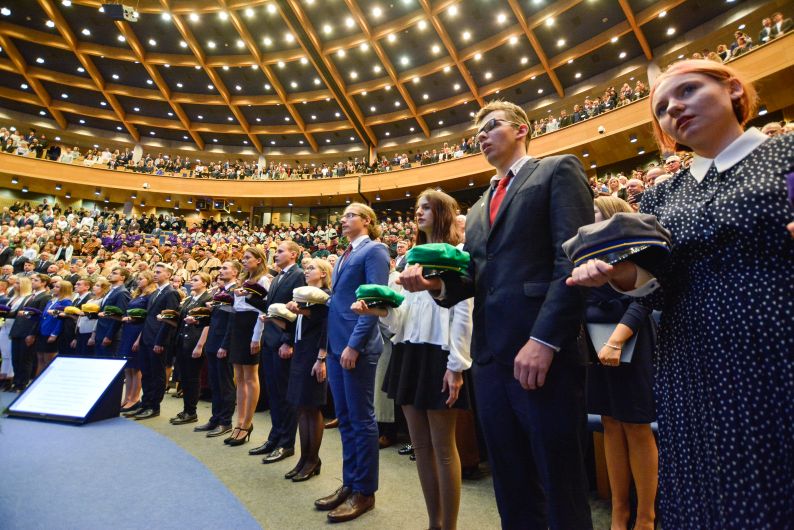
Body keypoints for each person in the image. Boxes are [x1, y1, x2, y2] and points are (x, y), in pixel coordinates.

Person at [567, 59, 794, 529]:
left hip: (775, 353)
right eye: (663, 108)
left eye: (688, 91)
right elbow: (654, 286)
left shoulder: (787, 155)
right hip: (689, 363)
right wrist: (613, 274)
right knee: (703, 490)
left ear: (733, 89)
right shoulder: (660, 198)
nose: (675, 108)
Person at [400, 99, 594, 529]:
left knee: (560, 481)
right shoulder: (481, 202)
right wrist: (435, 284)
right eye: (477, 134)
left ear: (522, 128)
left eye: (490, 127)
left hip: (541, 353)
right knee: (510, 481)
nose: (481, 137)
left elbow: (572, 264)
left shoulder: (557, 170)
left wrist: (544, 341)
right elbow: (474, 278)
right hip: (490, 361)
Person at [353, 189, 473, 530]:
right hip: (408, 350)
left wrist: (457, 364)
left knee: (443, 447)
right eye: (417, 207)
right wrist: (380, 311)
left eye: (427, 207)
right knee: (421, 447)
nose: (418, 212)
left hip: (441, 353)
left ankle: (447, 525)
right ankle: (433, 522)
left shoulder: (460, 253)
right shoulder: (409, 260)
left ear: (444, 212)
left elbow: (464, 312)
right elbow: (401, 317)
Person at [583, 196, 658, 530]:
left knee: (636, 427)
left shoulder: (633, 247)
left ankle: (645, 516)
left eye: (596, 214)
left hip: (632, 341)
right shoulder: (584, 254)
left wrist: (616, 340)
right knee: (610, 424)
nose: (590, 219)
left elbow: (642, 300)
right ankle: (619, 511)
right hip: (595, 346)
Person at [314, 202, 389, 523]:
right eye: (342, 215)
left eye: (350, 215)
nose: (342, 220)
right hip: (337, 345)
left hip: (356, 347)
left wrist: (354, 345)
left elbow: (375, 300)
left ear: (367, 221)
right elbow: (342, 301)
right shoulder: (346, 253)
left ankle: (365, 491)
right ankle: (350, 482)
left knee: (361, 420)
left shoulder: (375, 251)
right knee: (344, 418)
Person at [248, 241, 306, 461]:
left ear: (293, 254)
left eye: (280, 251)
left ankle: (286, 443)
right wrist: (252, 298)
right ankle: (275, 437)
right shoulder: (278, 277)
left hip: (283, 341)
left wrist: (288, 341)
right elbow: (273, 307)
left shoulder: (298, 275)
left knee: (284, 395)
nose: (276, 255)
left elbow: (297, 312)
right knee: (273, 393)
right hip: (271, 339)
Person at [282, 258, 332, 481]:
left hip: (315, 354)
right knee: (301, 407)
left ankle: (313, 459)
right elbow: (298, 325)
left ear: (323, 273)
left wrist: (322, 358)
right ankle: (304, 458)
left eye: (312, 268)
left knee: (312, 407)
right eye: (306, 267)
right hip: (301, 352)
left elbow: (327, 326)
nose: (306, 271)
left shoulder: (325, 296)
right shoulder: (304, 296)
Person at [226, 248, 270, 445]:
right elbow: (238, 307)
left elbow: (263, 309)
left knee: (251, 376)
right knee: (239, 377)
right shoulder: (243, 280)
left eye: (247, 258)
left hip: (253, 325)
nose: (243, 261)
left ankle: (247, 423)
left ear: (259, 260)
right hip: (239, 324)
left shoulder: (264, 280)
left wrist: (256, 337)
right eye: (243, 258)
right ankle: (239, 421)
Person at [126, 263, 181, 420]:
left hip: (158, 339)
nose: (155, 274)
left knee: (157, 374)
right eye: (154, 272)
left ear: (168, 275)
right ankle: (145, 403)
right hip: (147, 337)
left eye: (158, 272)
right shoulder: (156, 292)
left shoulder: (171, 293)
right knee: (147, 373)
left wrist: (160, 341)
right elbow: (149, 318)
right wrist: (141, 338)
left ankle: (153, 406)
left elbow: (168, 320)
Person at [193, 261, 239, 438]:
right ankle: (215, 418)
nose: (221, 271)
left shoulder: (235, 292)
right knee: (215, 383)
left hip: (223, 343)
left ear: (235, 272)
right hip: (213, 340)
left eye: (225, 268)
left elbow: (232, 321)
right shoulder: (220, 291)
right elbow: (216, 318)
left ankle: (225, 422)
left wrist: (225, 345)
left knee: (225, 384)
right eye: (220, 268)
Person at [170, 272, 212, 425]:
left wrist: (200, 345)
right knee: (185, 377)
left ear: (205, 283)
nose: (191, 282)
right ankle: (186, 409)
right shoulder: (190, 299)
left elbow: (208, 324)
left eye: (195, 280)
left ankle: (191, 411)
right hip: (183, 340)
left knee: (193, 378)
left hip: (195, 341)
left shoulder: (207, 299)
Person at [117, 271, 156, 413]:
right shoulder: (137, 294)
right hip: (128, 330)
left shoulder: (150, 295)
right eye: (138, 278)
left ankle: (134, 398)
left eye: (142, 278)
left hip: (138, 331)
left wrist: (139, 338)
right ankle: (127, 397)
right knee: (128, 367)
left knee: (136, 367)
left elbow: (147, 318)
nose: (138, 281)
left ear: (149, 280)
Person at [9, 274, 51, 391]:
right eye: (32, 279)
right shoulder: (29, 296)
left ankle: (21, 384)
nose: (32, 282)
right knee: (15, 358)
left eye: (36, 280)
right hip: (18, 329)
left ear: (43, 283)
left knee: (25, 359)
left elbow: (40, 316)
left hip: (29, 331)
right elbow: (18, 312)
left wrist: (32, 334)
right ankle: (16, 381)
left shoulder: (45, 297)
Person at [36, 279, 73, 374]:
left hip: (51, 332)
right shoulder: (51, 300)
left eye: (57, 287)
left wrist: (54, 333)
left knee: (48, 360)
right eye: (54, 286)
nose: (54, 288)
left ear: (64, 289)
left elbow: (61, 320)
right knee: (40, 358)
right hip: (43, 330)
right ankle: (37, 381)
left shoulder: (66, 302)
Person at [0, 276, 31, 389]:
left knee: (10, 353)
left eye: (18, 283)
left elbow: (19, 313)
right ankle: (3, 377)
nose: (15, 285)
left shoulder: (27, 297)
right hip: (6, 324)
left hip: (15, 326)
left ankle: (10, 378)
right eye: (15, 283)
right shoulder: (13, 297)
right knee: (5, 354)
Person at [94, 267, 131, 357]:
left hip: (110, 333)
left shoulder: (122, 292)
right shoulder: (111, 291)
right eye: (111, 272)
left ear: (122, 278)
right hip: (101, 330)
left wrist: (109, 335)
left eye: (114, 273)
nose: (110, 274)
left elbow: (119, 315)